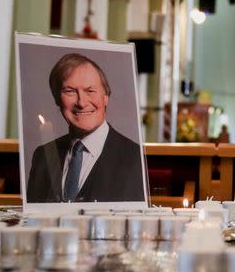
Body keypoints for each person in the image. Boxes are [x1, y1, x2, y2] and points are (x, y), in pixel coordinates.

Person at [26, 53, 146, 203]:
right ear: (57, 99)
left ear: (106, 96)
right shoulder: (42, 156)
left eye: (90, 91)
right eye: (70, 91)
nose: (81, 103)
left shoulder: (135, 158)